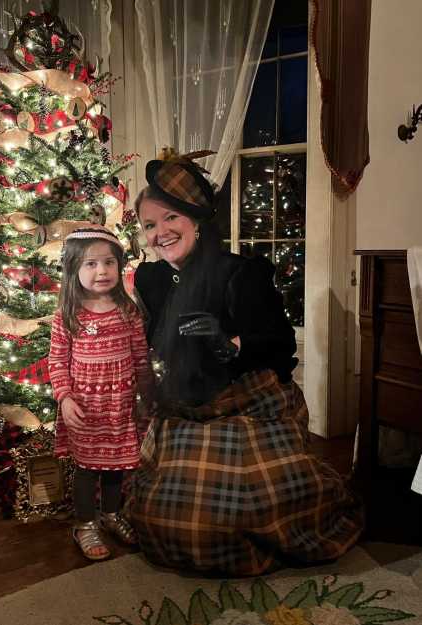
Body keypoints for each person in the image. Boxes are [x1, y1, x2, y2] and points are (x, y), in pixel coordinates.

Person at [127, 152, 364, 575]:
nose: (160, 233)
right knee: (165, 518)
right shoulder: (150, 279)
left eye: (171, 219)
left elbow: (277, 344)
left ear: (196, 220)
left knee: (222, 519)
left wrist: (226, 342)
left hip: (249, 404)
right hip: (185, 408)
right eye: (149, 225)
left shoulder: (240, 273)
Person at [49, 225, 152, 561]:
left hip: (119, 405)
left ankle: (111, 514)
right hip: (85, 408)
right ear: (74, 269)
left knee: (115, 466)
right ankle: (85, 523)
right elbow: (57, 362)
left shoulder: (128, 310)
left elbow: (140, 356)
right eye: (91, 264)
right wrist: (64, 397)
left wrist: (148, 396)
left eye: (108, 263)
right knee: (87, 468)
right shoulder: (67, 315)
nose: (102, 271)